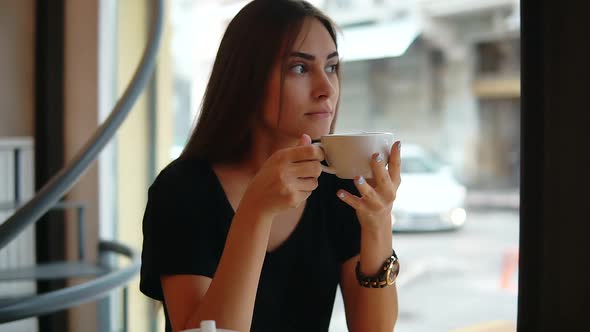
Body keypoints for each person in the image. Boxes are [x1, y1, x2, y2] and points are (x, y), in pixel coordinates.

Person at [140, 1, 401, 331]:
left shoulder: (340, 184)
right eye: (300, 68)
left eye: (332, 67)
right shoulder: (182, 191)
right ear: (246, 79)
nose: (326, 89)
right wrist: (255, 212)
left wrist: (379, 224)